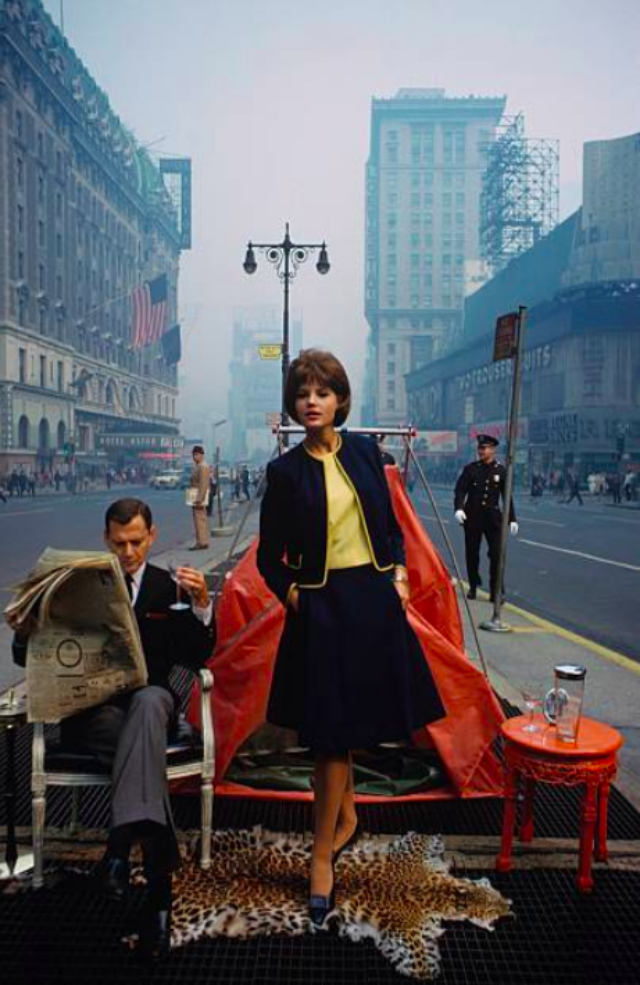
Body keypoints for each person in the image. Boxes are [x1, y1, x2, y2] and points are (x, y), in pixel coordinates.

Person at [257, 349, 445, 928]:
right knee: (330, 735)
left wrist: (401, 576)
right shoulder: (284, 472)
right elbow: (269, 558)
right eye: (302, 393)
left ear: (340, 400)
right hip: (321, 608)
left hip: (372, 603)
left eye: (321, 392)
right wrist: (294, 595)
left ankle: (346, 821)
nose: (310, 401)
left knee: (350, 726)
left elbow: (389, 529)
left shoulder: (366, 453)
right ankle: (322, 856)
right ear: (293, 403)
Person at [10, 498, 215, 962]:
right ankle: (158, 895)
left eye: (137, 542)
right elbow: (28, 660)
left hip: (153, 703)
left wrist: (202, 607)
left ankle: (120, 850)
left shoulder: (168, 586)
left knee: (146, 702)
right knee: (136, 734)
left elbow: (198, 657)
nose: (128, 552)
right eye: (119, 543)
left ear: (153, 536)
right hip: (95, 714)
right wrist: (24, 631)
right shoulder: (77, 588)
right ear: (106, 539)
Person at [453, 434, 518, 601]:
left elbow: (506, 496)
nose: (480, 451)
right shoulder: (471, 469)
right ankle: (473, 586)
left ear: (493, 450)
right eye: (479, 448)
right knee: (472, 554)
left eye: (484, 448)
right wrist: (459, 508)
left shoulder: (500, 470)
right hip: (473, 517)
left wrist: (512, 519)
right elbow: (460, 490)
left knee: (496, 555)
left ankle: (495, 590)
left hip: (492, 519)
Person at [188, 445, 210, 550]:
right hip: (195, 495)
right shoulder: (198, 466)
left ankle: (202, 542)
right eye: (193, 455)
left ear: (202, 455)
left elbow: (203, 484)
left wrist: (199, 498)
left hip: (199, 497)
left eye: (196, 454)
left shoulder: (203, 466)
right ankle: (202, 540)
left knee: (200, 520)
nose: (194, 457)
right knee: (199, 519)